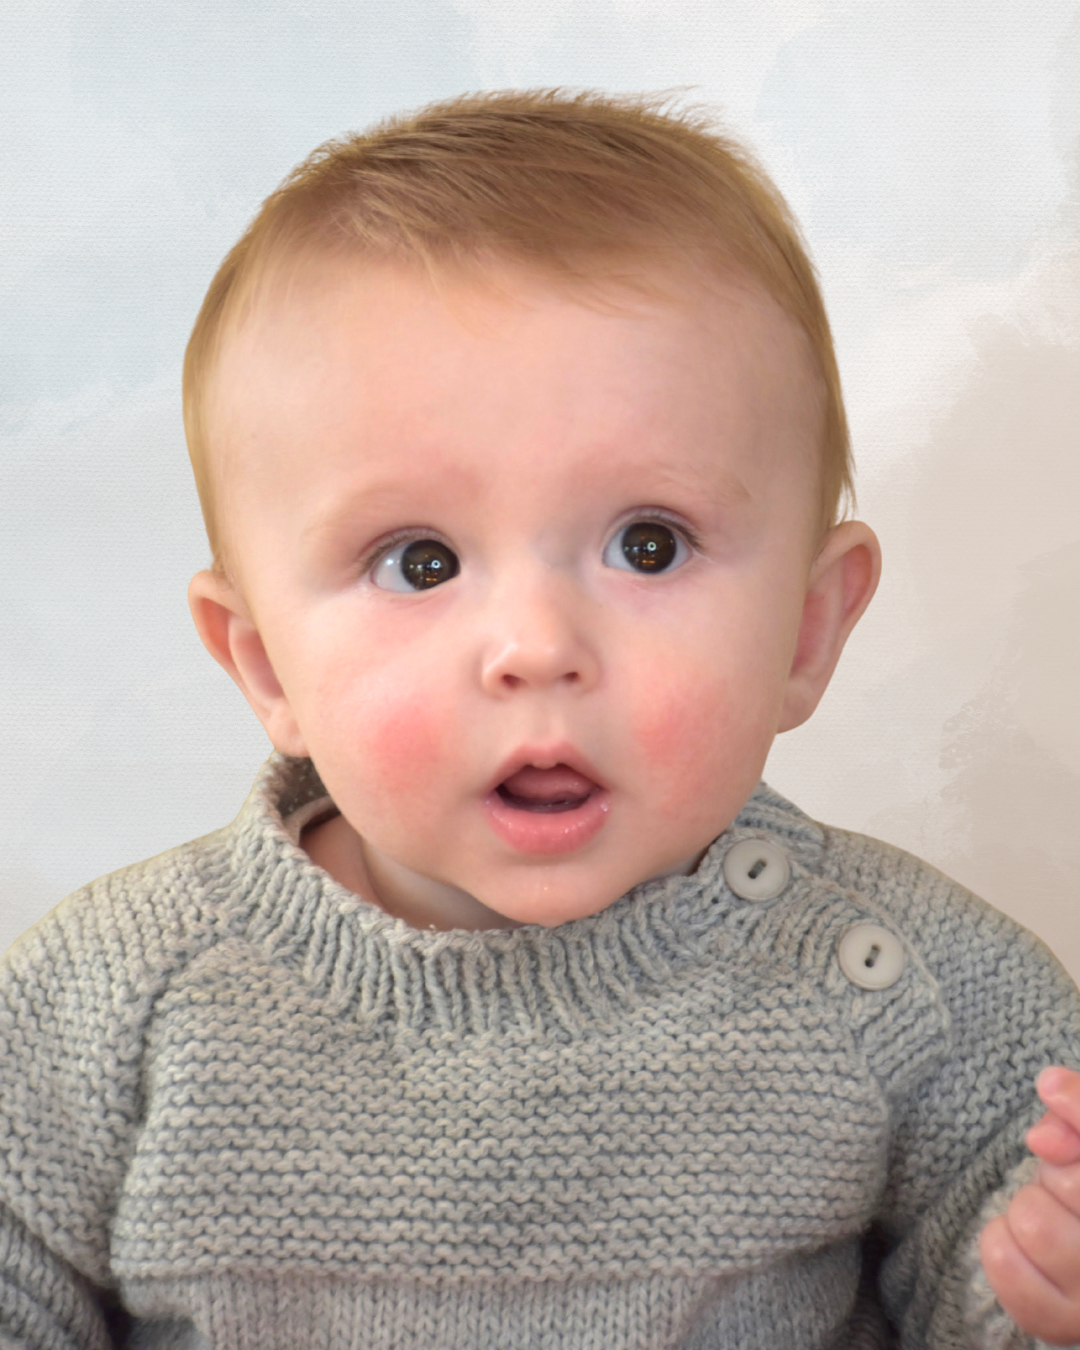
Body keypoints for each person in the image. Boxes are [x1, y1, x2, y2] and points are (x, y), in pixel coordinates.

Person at [2, 87, 1079, 1350]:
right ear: (266, 666)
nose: (539, 648)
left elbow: (994, 1271)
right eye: (420, 563)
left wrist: (1040, 1295)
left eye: (648, 544)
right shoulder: (108, 1002)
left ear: (805, 629)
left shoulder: (897, 984)